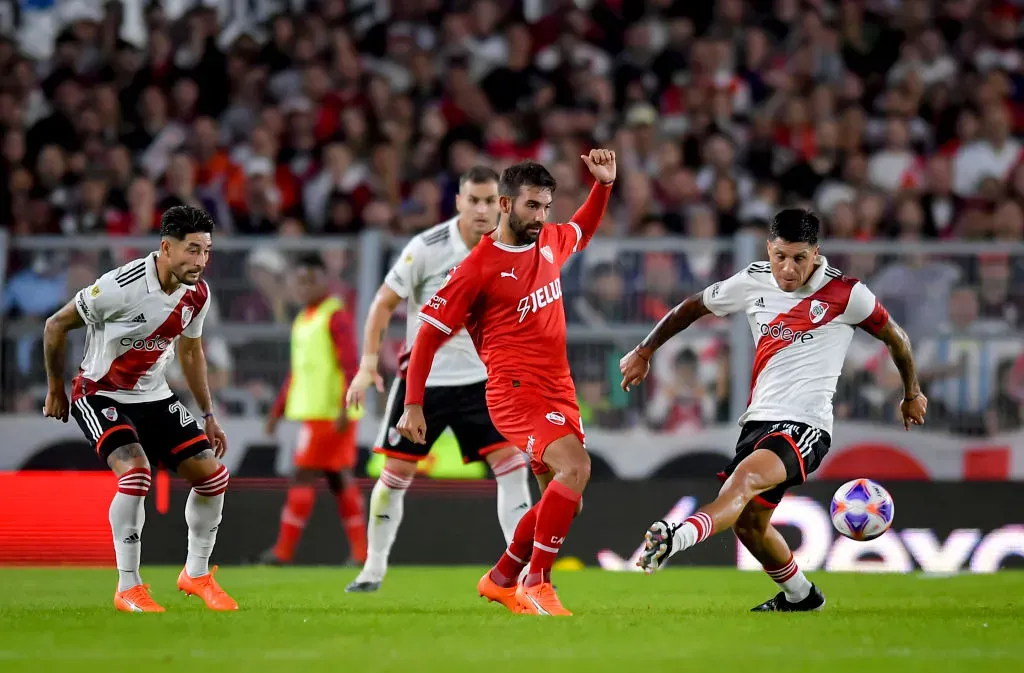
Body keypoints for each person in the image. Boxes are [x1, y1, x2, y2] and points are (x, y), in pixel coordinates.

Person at [619, 208, 928, 611]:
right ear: (769, 248)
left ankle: (674, 538)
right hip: (758, 422)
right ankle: (802, 596)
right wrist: (645, 350)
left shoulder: (848, 294)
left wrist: (912, 392)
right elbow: (691, 307)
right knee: (749, 524)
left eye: (799, 258)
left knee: (742, 484)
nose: (787, 267)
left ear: (816, 253)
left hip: (806, 425)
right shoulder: (752, 280)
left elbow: (896, 338)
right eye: (780, 256)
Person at [397, 150, 616, 616]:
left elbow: (583, 228)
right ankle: (536, 582)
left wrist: (603, 185)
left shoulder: (551, 240)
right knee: (575, 470)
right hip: (515, 393)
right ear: (504, 204)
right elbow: (428, 337)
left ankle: (500, 579)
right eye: (530, 206)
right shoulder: (478, 268)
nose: (540, 216)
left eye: (545, 206)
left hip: (559, 389)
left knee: (565, 500)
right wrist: (413, 403)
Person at [344, 166, 533, 593]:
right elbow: (381, 305)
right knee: (394, 475)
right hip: (424, 382)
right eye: (475, 200)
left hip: (486, 381)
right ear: (459, 203)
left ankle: (520, 573)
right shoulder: (426, 248)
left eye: (491, 201)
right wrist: (368, 363)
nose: (484, 209)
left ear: (502, 204)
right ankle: (373, 569)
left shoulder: (513, 248)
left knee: (512, 468)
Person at [41, 205, 237, 612]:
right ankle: (128, 587)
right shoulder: (119, 286)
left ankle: (196, 574)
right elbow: (55, 326)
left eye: (206, 251)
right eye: (192, 251)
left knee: (213, 477)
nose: (200, 261)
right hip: (100, 392)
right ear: (166, 247)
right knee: (135, 474)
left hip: (155, 396)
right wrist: (55, 390)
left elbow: (190, 349)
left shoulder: (197, 293)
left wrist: (208, 414)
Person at [258, 254, 367, 566]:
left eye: (311, 280)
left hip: (329, 414)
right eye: (299, 281)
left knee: (303, 476)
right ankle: (361, 554)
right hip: (317, 412)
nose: (304, 287)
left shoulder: (335, 316)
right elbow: (298, 371)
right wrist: (277, 411)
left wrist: (347, 405)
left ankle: (282, 552)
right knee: (338, 478)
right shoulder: (306, 318)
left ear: (324, 281)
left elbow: (350, 365)